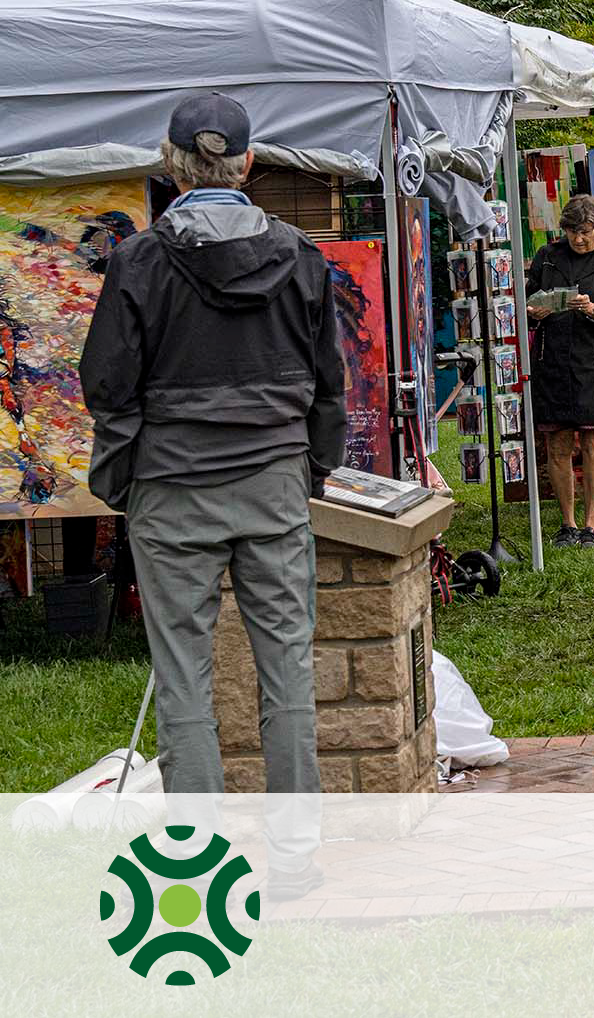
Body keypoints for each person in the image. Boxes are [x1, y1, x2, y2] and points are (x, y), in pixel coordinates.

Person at [80, 92, 345, 899]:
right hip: (269, 481)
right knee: (286, 672)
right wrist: (309, 473)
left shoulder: (140, 262)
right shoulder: (300, 256)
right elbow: (330, 386)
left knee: (185, 678)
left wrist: (123, 478)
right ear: (251, 165)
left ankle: (196, 858)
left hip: (172, 487)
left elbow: (107, 385)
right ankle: (295, 860)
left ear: (170, 166)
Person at [527, 194, 594, 547]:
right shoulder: (547, 258)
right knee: (557, 444)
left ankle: (591, 524)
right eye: (573, 231)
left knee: (593, 443)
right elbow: (526, 299)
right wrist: (534, 310)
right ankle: (567, 523)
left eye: (586, 232)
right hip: (553, 361)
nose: (578, 239)